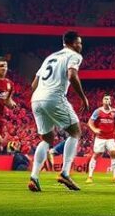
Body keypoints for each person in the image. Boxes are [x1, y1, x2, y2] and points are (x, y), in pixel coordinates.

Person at [28, 31, 90, 192]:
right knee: (75, 132)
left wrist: (42, 98)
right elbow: (72, 75)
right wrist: (83, 98)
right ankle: (65, 173)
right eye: (79, 42)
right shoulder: (74, 55)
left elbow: (34, 84)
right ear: (72, 43)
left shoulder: (50, 57)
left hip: (36, 98)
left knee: (47, 139)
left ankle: (34, 177)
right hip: (54, 97)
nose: (80, 46)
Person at [86, 94, 115, 183]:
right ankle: (90, 177)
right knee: (97, 154)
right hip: (100, 138)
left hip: (110, 137)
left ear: (110, 101)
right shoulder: (98, 111)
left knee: (113, 153)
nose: (106, 100)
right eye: (105, 99)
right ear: (102, 101)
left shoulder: (114, 112)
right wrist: (94, 129)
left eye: (108, 99)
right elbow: (90, 122)